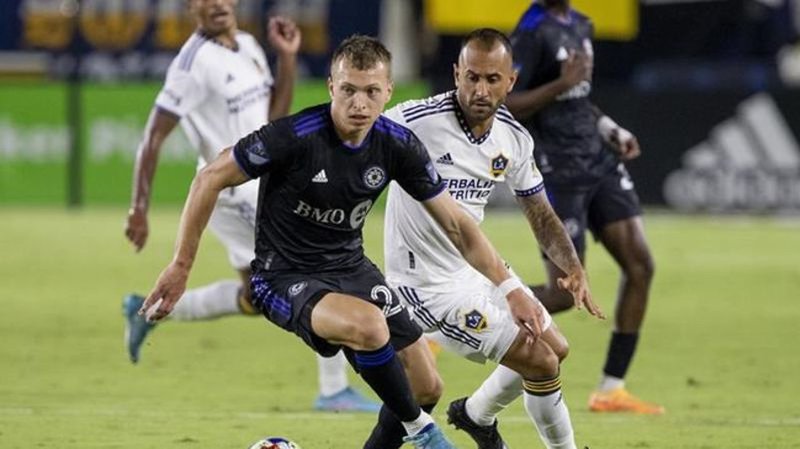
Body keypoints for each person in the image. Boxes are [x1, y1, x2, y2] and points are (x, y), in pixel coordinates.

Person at [139, 34, 557, 449]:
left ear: (388, 91)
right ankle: (423, 432)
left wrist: (511, 288)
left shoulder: (397, 145)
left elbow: (458, 226)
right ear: (331, 87)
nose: (360, 103)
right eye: (349, 90)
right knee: (369, 326)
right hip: (284, 276)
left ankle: (412, 422)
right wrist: (181, 266)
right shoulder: (295, 136)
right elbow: (209, 178)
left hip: (350, 269)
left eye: (371, 91)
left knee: (426, 386)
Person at [122, 0, 378, 413]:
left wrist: (287, 58)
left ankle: (148, 309)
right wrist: (139, 207)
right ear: (190, 6)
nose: (217, 3)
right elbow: (152, 135)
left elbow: (273, 116)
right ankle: (333, 389)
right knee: (316, 263)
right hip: (234, 189)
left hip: (261, 181)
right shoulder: (191, 64)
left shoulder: (247, 45)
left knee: (254, 297)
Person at [369, 28, 604, 449]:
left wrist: (572, 266)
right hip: (425, 287)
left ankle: (475, 415)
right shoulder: (413, 122)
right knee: (540, 360)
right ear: (456, 74)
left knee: (556, 348)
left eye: (492, 79)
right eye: (472, 77)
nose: (480, 89)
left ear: (511, 80)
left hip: (476, 271)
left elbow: (540, 212)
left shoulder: (513, 138)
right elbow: (352, 142)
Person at [506, 0, 663, 414]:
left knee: (641, 266)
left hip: (598, 159)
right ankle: (455, 314)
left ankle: (611, 389)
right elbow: (508, 102)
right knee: (562, 295)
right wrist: (560, 83)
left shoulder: (581, 24)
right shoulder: (531, 31)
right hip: (558, 169)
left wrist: (609, 127)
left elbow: (578, 98)